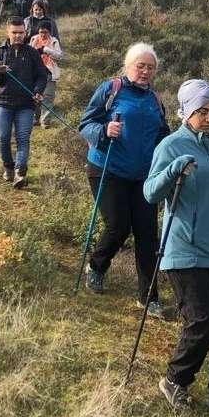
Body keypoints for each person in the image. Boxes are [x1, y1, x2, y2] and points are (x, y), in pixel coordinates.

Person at [143, 79, 209, 417]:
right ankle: (176, 380)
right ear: (187, 111)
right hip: (185, 249)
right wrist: (173, 170)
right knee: (203, 320)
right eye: (202, 111)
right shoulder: (171, 146)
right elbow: (149, 193)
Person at [78, 43, 170, 318]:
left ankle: (148, 297)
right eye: (140, 66)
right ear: (128, 66)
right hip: (107, 168)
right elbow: (86, 124)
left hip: (143, 175)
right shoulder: (111, 89)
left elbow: (164, 137)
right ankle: (96, 267)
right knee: (118, 225)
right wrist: (105, 129)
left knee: (147, 235)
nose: (145, 71)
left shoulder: (155, 100)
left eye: (150, 67)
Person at [0, 16, 48, 188]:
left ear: (25, 32)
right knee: (3, 138)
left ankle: (20, 173)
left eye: (21, 32)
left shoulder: (33, 53)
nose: (18, 36)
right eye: (14, 32)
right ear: (8, 32)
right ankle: (8, 167)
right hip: (3, 102)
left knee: (22, 138)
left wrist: (38, 91)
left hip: (26, 104)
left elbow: (42, 76)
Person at [28, 20, 63, 128]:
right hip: (35, 72)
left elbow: (59, 56)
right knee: (35, 95)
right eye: (41, 32)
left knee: (48, 97)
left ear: (49, 32)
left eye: (45, 32)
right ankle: (35, 117)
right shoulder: (33, 39)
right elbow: (28, 53)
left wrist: (46, 50)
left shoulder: (54, 41)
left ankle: (45, 121)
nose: (43, 34)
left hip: (49, 72)